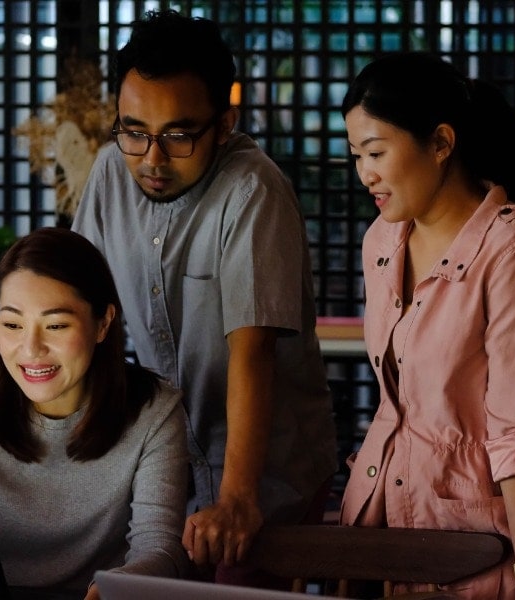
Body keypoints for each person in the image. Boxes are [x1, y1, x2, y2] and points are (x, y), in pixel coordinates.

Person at [70, 8, 339, 585]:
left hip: (266, 469)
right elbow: (80, 308)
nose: (152, 159)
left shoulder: (254, 189)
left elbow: (252, 349)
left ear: (224, 123)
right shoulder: (110, 172)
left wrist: (238, 499)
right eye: (134, 131)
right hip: (169, 461)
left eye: (179, 135)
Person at [338, 52, 515, 599]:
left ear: (441, 143)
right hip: (381, 521)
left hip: (478, 539)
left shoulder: (514, 250)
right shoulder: (382, 241)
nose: (366, 174)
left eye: (377, 152)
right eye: (356, 154)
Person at [0, 227, 191, 599]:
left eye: (56, 325)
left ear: (104, 323)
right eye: (12, 324)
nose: (30, 349)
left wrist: (118, 586)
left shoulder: (154, 412)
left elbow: (159, 547)